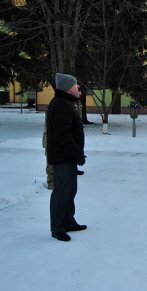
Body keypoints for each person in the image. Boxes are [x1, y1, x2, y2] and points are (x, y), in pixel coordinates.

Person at [46, 73, 87, 242]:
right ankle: (57, 228)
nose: (78, 88)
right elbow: (64, 135)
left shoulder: (65, 103)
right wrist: (77, 155)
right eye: (76, 85)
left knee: (70, 191)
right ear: (68, 88)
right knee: (62, 192)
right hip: (63, 158)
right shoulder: (62, 105)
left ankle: (68, 222)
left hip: (67, 157)